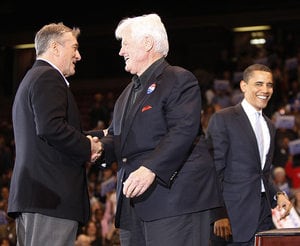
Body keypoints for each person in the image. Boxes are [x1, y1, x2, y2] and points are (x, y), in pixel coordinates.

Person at [95, 13, 223, 246]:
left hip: (175, 200)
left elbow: (183, 130)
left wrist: (150, 167)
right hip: (133, 206)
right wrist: (96, 148)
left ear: (147, 43)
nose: (121, 52)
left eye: (125, 44)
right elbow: (116, 137)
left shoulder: (179, 79)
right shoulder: (126, 94)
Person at [7, 22, 103, 246]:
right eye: (74, 48)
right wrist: (89, 147)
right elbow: (52, 128)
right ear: (55, 48)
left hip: (38, 198)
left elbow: (51, 131)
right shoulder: (49, 77)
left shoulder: (33, 77)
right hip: (51, 199)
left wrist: (100, 134)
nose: (78, 56)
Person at [206, 63, 292, 245]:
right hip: (232, 217)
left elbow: (261, 173)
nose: (265, 89)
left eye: (269, 85)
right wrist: (218, 214)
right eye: (259, 84)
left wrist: (278, 194)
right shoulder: (223, 119)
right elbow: (212, 170)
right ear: (244, 86)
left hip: (264, 214)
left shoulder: (269, 125)